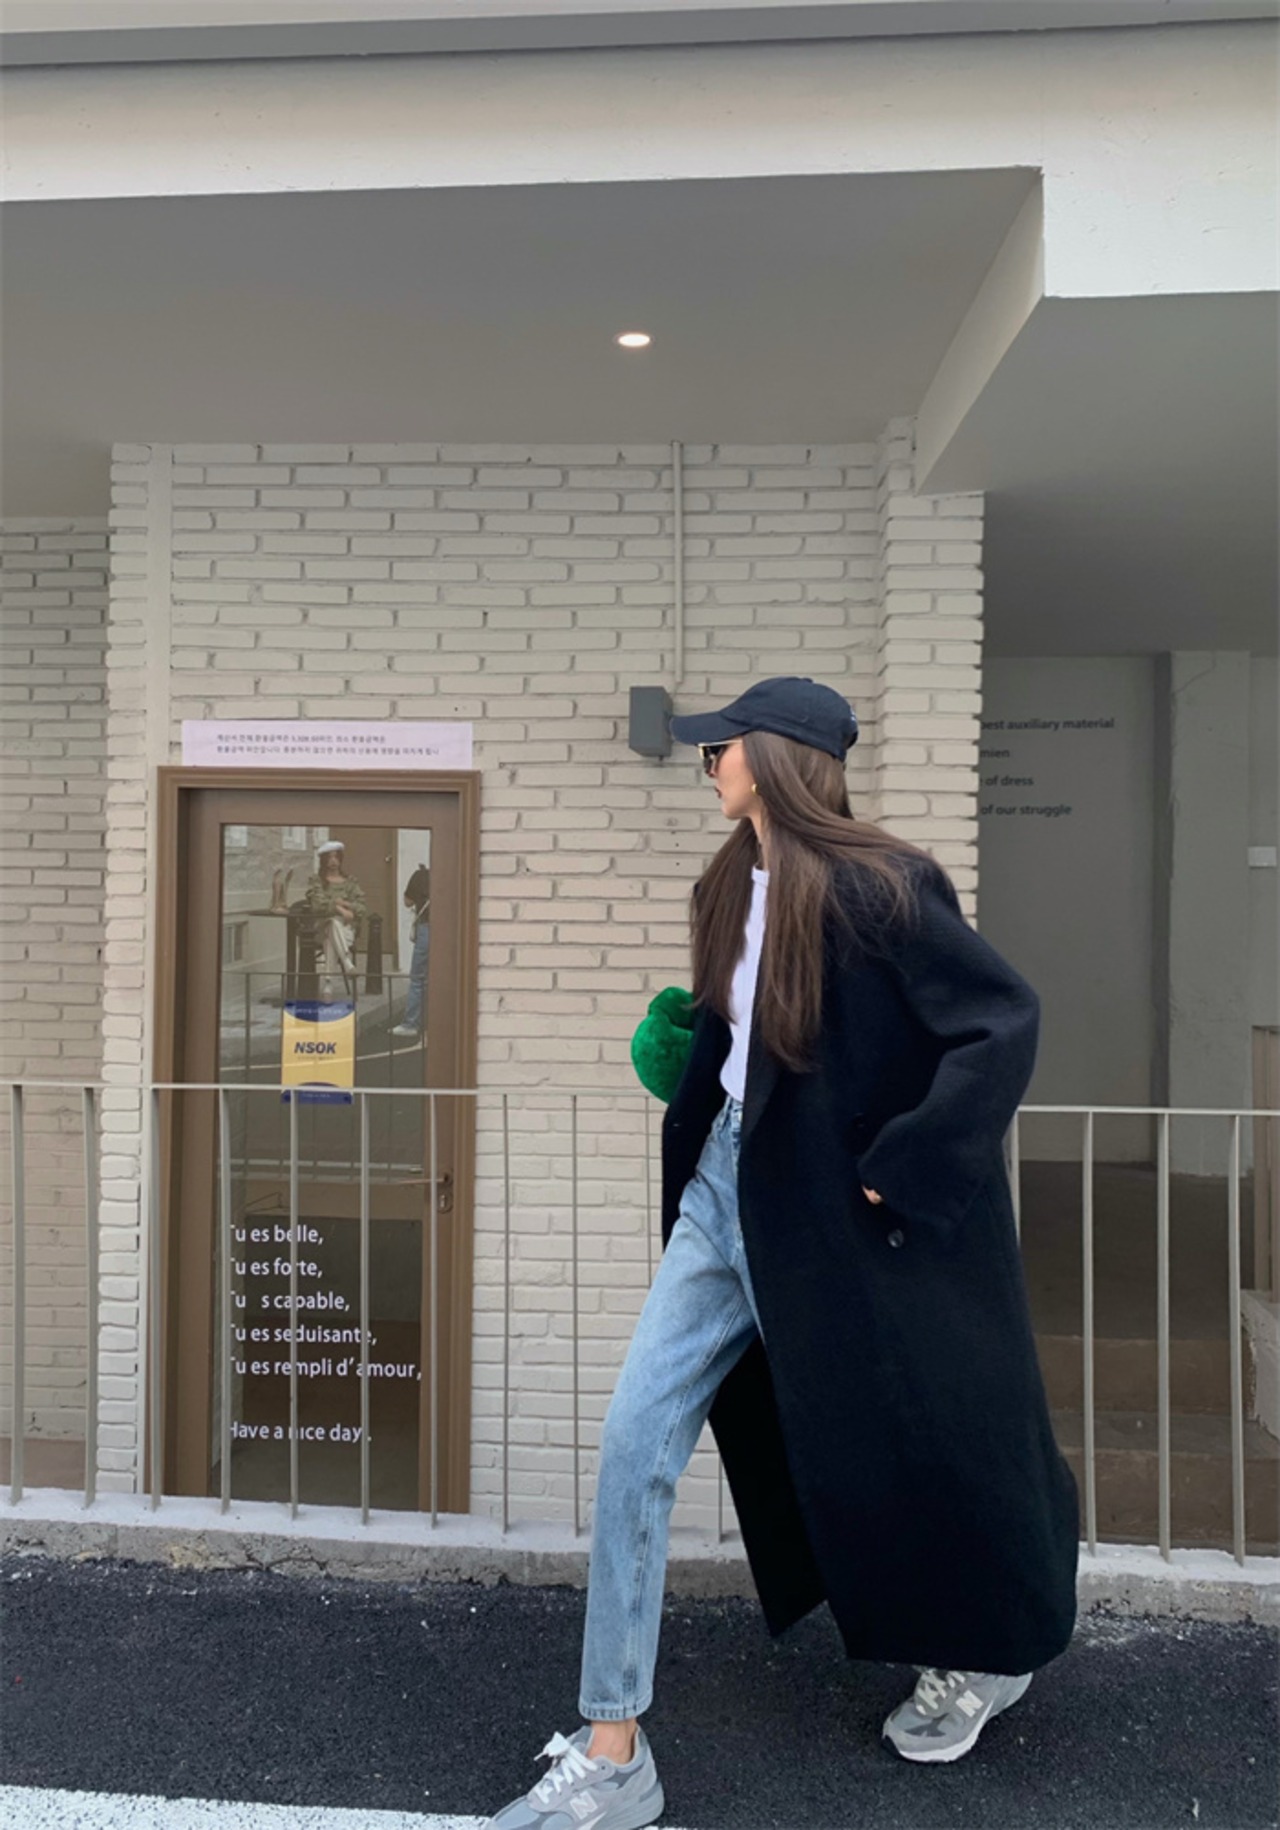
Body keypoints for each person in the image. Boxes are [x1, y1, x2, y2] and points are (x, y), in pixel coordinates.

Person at [485, 677, 1079, 1830]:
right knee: (633, 1440)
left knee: (920, 1429)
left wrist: (901, 1165)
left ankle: (981, 1650)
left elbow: (999, 1021)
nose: (707, 762)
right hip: (724, 1193)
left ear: (778, 758)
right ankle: (613, 1752)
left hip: (830, 1205)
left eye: (723, 746)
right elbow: (751, 1040)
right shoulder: (726, 885)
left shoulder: (881, 885)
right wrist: (690, 1055)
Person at [303, 839, 367, 998]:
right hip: (321, 929)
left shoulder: (350, 882)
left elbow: (362, 907)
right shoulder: (317, 881)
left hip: (346, 931)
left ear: (340, 859)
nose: (333, 861)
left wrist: (345, 904)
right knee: (331, 924)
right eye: (329, 857)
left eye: (336, 857)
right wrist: (339, 908)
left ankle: (328, 984)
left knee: (331, 934)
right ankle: (346, 962)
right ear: (323, 860)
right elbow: (318, 905)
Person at [391, 864, 431, 1039]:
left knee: (418, 979)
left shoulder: (421, 875)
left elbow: (408, 902)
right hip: (450, 929)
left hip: (427, 928)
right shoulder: (453, 875)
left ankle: (411, 1024)